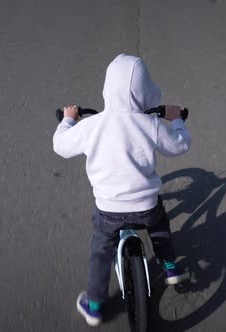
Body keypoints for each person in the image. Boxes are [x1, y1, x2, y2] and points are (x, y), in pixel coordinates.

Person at [52, 54, 191, 326]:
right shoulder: (150, 124)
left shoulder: (92, 125)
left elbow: (61, 145)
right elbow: (179, 145)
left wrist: (69, 119)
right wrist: (176, 121)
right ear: (144, 92)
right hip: (146, 207)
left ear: (107, 89)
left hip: (109, 211)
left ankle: (93, 304)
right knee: (160, 225)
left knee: (101, 250)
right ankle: (171, 266)